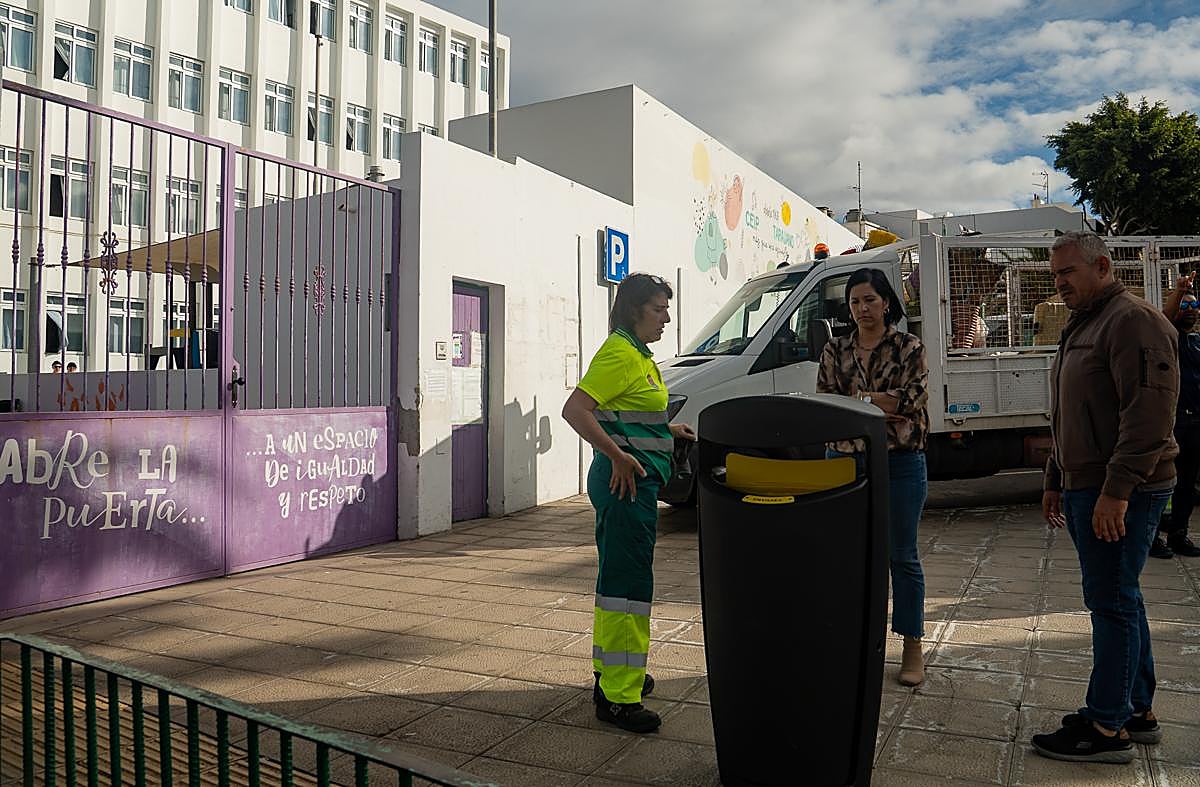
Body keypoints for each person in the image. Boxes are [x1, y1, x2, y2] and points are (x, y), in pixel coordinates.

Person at [1034, 231, 1179, 764]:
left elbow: (1148, 417)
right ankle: (1135, 709)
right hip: (1085, 484)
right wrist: (1054, 476)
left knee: (1111, 602)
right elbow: (1066, 411)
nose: (1060, 284)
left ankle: (1107, 726)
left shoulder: (1132, 321)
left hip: (1123, 489)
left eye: (1067, 273)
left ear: (1101, 265)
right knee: (1122, 596)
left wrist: (1116, 492)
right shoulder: (1086, 322)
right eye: (1054, 276)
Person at [561, 273, 697, 734]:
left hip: (636, 488)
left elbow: (631, 412)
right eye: (658, 309)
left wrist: (666, 431)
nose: (666, 317)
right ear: (634, 309)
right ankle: (620, 696)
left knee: (618, 584)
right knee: (629, 591)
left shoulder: (636, 354)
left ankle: (613, 674)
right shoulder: (620, 352)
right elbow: (576, 409)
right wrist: (617, 455)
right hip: (627, 489)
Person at [816, 267, 930, 686]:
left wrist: (859, 400)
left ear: (886, 302)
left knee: (902, 554)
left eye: (869, 299)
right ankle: (856, 641)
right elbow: (827, 402)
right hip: (844, 461)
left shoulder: (908, 346)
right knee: (849, 556)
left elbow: (913, 401)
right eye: (854, 302)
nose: (862, 308)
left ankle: (912, 644)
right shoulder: (834, 349)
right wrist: (880, 402)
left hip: (900, 461)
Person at [1151, 272, 1200, 559]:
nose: (1191, 311)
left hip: (1195, 424)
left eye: (1195, 306)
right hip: (1172, 423)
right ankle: (1152, 536)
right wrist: (1178, 294)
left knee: (1187, 485)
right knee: (1160, 484)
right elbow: (1163, 322)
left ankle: (1179, 534)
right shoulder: (1167, 339)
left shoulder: (1196, 343)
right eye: (1185, 307)